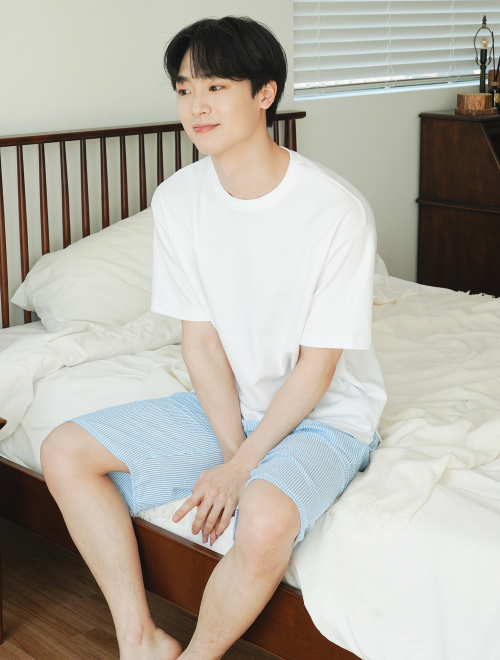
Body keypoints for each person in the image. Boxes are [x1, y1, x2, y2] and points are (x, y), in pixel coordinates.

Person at [40, 14, 387, 660]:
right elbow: (199, 343)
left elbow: (317, 368)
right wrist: (233, 458)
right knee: (62, 450)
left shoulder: (335, 210)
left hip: (325, 417)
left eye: (216, 88)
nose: (196, 107)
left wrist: (243, 470)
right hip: (229, 408)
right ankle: (140, 640)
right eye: (184, 90)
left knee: (264, 517)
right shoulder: (178, 199)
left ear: (265, 94)